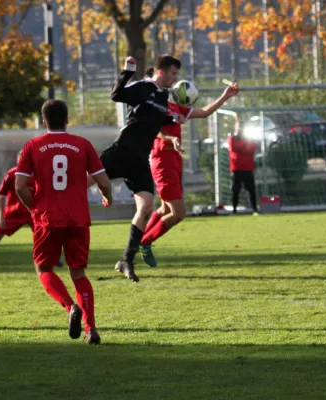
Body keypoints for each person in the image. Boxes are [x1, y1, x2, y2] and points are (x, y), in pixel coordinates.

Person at [15, 99, 112, 344]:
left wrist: (34, 207)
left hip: (48, 217)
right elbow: (104, 182)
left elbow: (19, 187)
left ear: (43, 121)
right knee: (78, 272)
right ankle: (91, 330)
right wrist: (107, 197)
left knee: (44, 268)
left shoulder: (33, 146)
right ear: (67, 120)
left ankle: (70, 307)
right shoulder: (82, 144)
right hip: (78, 217)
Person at [90, 54, 184, 283]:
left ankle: (126, 260)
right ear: (160, 71)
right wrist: (128, 70)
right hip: (122, 151)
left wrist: (171, 128)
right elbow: (116, 95)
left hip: (140, 160)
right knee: (81, 182)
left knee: (146, 207)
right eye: (173, 73)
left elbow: (154, 123)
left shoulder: (163, 96)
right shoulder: (144, 86)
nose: (175, 79)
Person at [139, 73, 240, 268]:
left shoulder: (176, 108)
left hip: (174, 160)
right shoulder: (156, 108)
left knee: (165, 209)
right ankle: (145, 242)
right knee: (178, 214)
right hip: (162, 161)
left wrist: (225, 96)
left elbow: (204, 112)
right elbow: (155, 130)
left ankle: (139, 240)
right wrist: (170, 139)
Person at [0, 151, 63, 270]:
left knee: (46, 236)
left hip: (33, 212)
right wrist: (1, 217)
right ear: (17, 162)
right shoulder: (12, 174)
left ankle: (52, 260)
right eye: (21, 162)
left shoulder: (39, 174)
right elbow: (1, 195)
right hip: (13, 213)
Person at [227, 119, 259, 214]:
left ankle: (255, 209)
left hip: (248, 168)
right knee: (235, 190)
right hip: (236, 168)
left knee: (251, 189)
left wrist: (244, 147)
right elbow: (233, 148)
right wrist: (245, 146)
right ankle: (234, 209)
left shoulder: (249, 138)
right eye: (239, 126)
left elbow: (252, 148)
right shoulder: (232, 138)